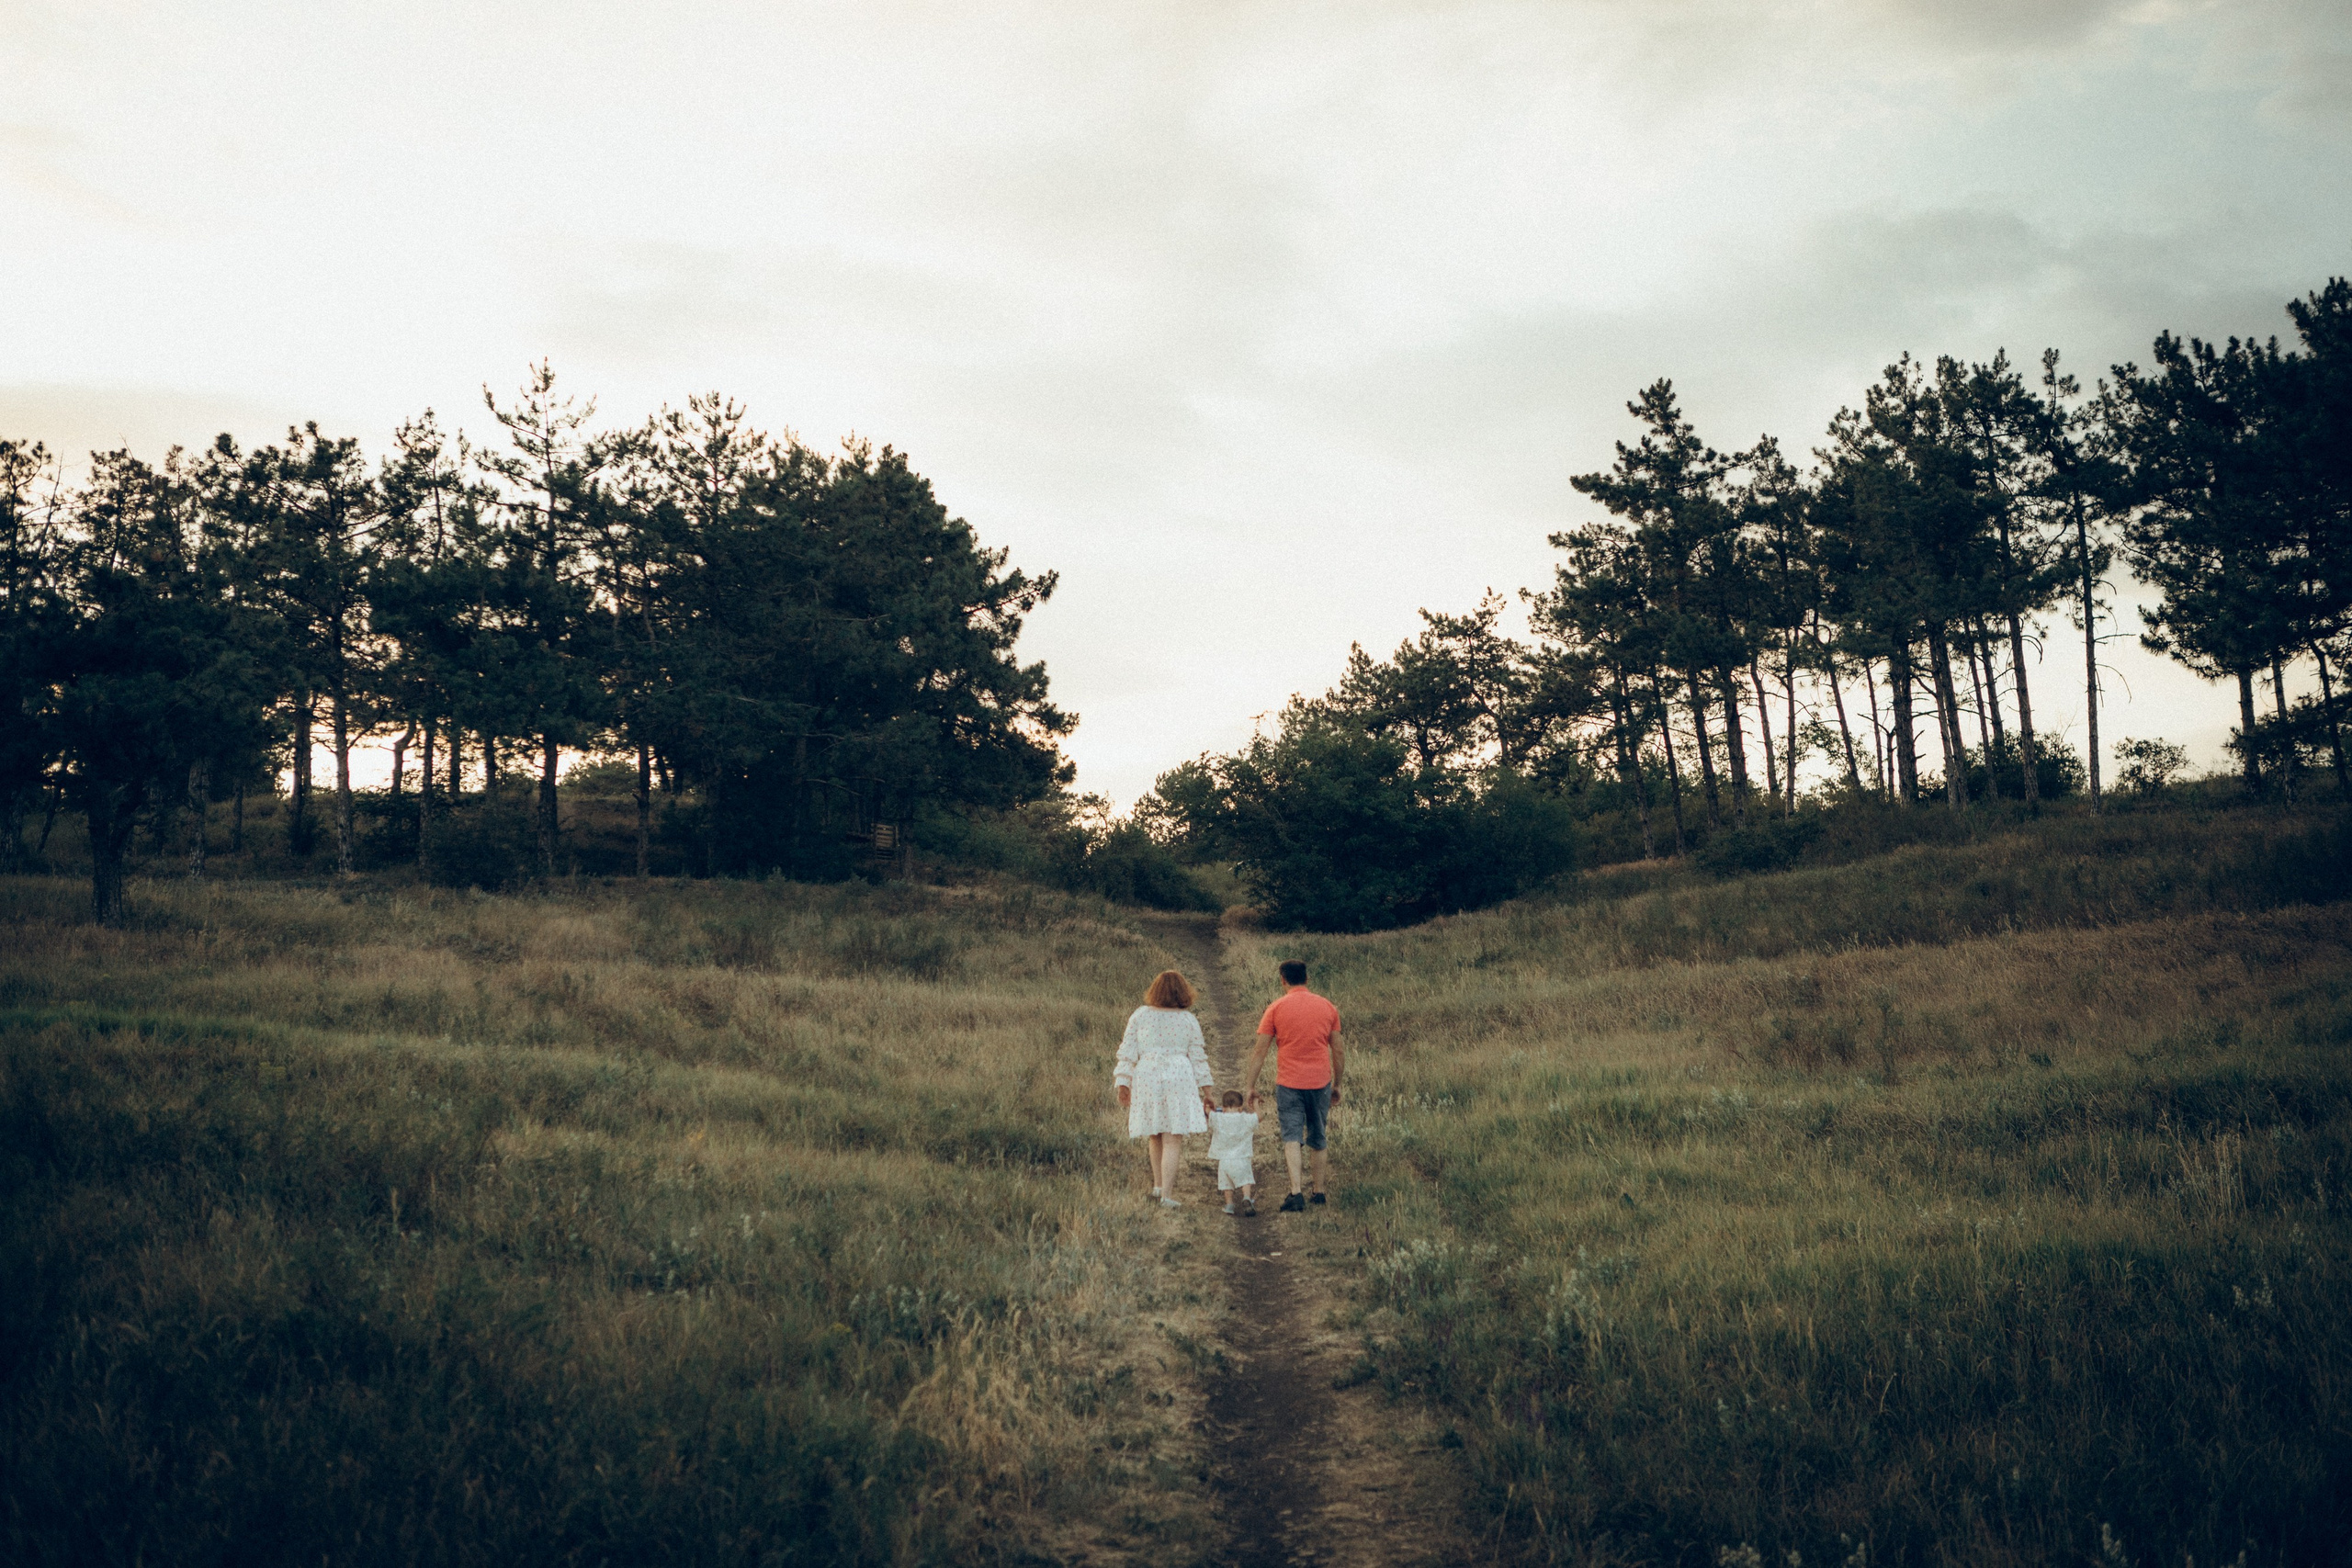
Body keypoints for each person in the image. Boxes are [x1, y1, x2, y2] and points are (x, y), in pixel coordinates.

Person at [1240, 958, 1342, 1213]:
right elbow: (1338, 1051)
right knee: (1318, 1135)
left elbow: (1259, 1052)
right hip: (1320, 1081)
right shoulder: (1327, 1007)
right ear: (1307, 979)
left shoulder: (1275, 1008)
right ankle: (1319, 1192)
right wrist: (1337, 1084)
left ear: (1283, 980)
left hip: (1289, 1082)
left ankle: (1296, 1192)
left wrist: (1249, 1086)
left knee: (1291, 1136)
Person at [1114, 968, 1216, 1209]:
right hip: (1178, 1074)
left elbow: (1128, 1051)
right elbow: (1198, 1057)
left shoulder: (1140, 1015)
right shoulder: (1188, 1019)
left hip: (1147, 1074)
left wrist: (1123, 1082)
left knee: (1155, 1132)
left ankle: (1158, 1187)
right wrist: (1208, 1092)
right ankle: (1166, 1195)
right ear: (1184, 992)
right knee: (1173, 1137)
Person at [1207, 1090, 1260, 1216]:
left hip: (1224, 1160)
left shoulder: (1218, 1118)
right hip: (1242, 1158)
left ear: (1223, 1108)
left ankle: (1229, 1204)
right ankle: (1246, 1197)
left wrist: (1210, 1107)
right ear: (1241, 1108)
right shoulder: (1245, 1118)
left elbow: (1208, 1112)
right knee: (1245, 1180)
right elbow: (1259, 1116)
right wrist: (1256, 1103)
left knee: (1226, 1184)